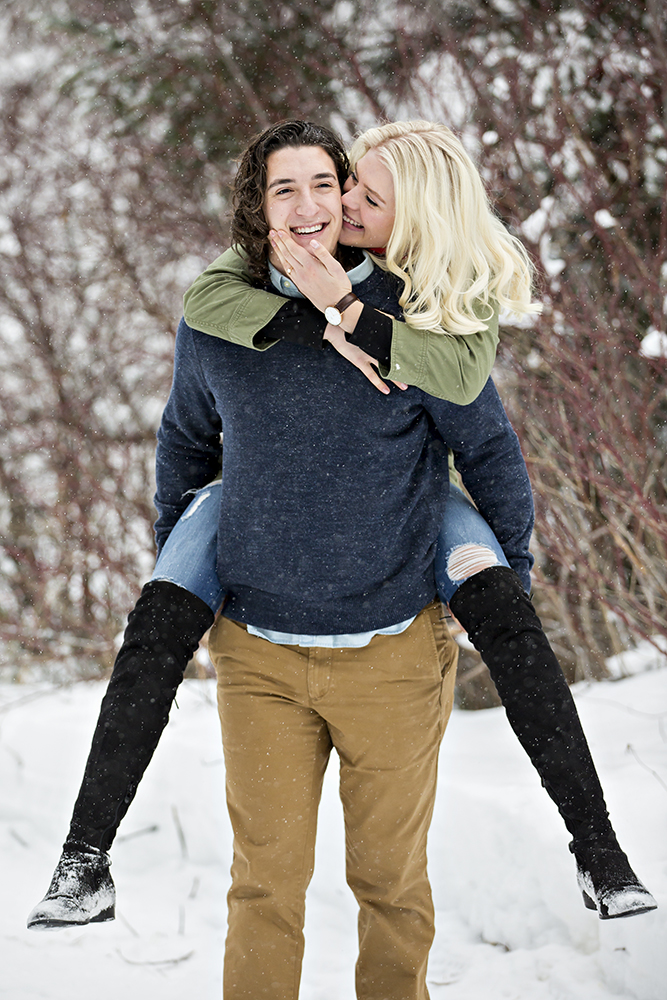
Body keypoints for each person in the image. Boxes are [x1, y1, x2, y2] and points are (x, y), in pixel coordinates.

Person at [27, 120, 655, 944]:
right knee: (156, 622)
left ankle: (598, 850)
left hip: (416, 505)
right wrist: (313, 321)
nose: (334, 204)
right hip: (246, 509)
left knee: (509, 615)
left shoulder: (429, 296)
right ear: (257, 204)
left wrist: (513, 566)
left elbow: (483, 432)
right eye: (304, 187)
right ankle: (83, 860)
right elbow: (193, 368)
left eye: (348, 189)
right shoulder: (227, 294)